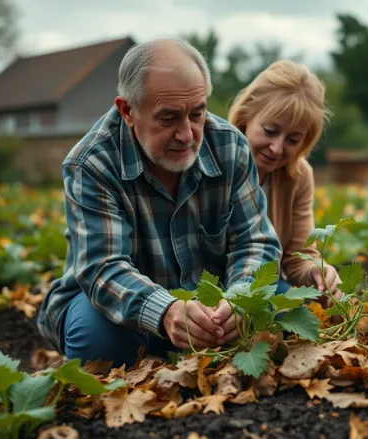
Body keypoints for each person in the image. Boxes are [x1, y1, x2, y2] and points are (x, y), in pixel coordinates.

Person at [36, 37, 283, 368]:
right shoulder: (92, 163)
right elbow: (102, 268)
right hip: (124, 310)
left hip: (211, 308)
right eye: (168, 118)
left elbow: (255, 241)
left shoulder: (229, 147)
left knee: (280, 300)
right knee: (95, 340)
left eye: (197, 114)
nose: (187, 134)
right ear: (127, 111)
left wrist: (238, 300)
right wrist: (165, 311)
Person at [227, 60, 342, 302]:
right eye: (270, 131)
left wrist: (316, 273)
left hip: (265, 287)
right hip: (213, 286)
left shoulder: (298, 177)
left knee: (292, 310)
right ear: (246, 116)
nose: (277, 148)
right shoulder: (217, 161)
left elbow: (298, 255)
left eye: (293, 140)